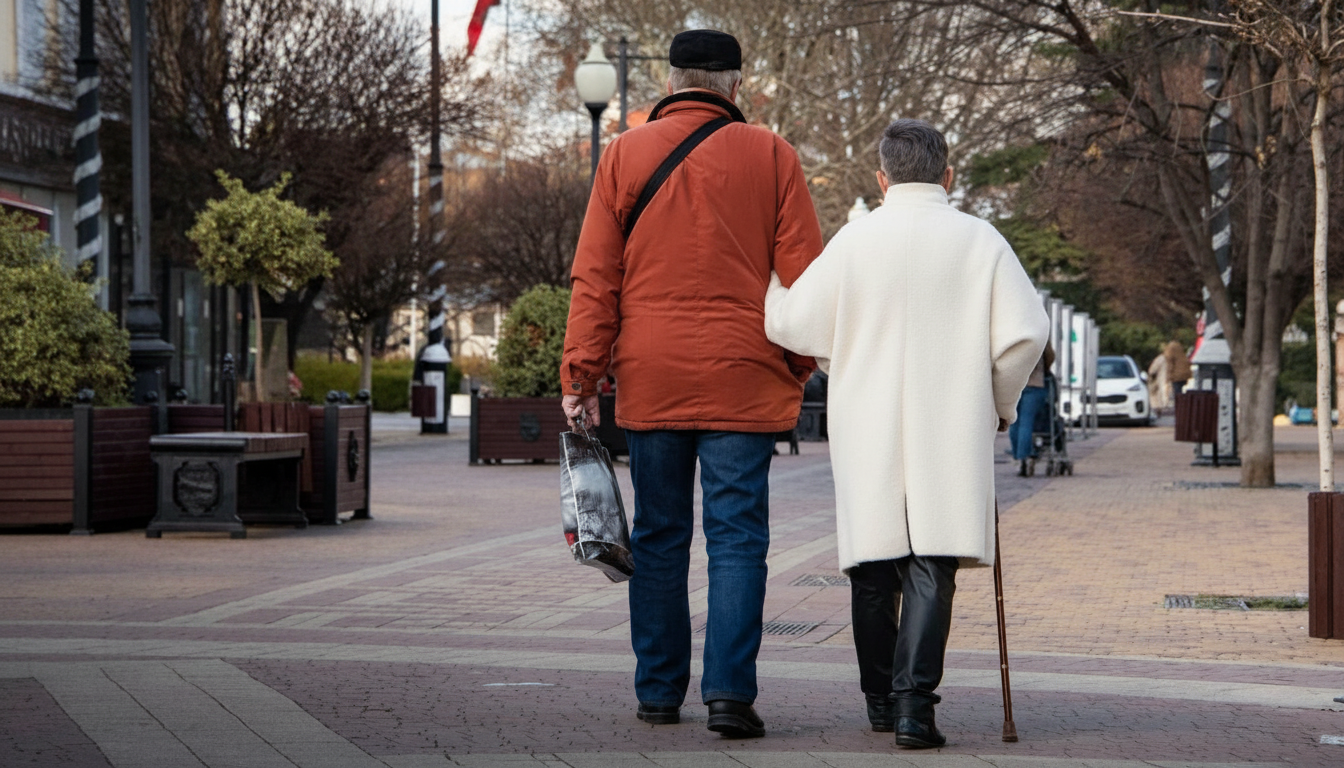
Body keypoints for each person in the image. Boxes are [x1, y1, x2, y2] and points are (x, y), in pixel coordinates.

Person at [559, 29, 824, 737]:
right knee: (738, 537)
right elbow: (806, 282)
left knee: (660, 532)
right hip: (745, 375)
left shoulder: (623, 154)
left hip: (651, 376)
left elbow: (595, 277)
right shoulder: (773, 155)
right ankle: (730, 696)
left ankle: (657, 691)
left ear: (672, 82)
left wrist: (582, 373)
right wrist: (795, 365)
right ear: (736, 86)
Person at [763, 119, 1048, 748]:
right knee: (932, 560)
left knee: (872, 562)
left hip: (869, 419)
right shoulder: (981, 241)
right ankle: (916, 707)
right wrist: (997, 402)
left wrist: (773, 286)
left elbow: (796, 323)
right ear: (948, 175)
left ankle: (880, 702)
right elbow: (1027, 332)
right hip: (950, 417)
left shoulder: (856, 240)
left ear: (881, 178)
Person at [1009, 341, 1055, 476]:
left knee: (1014, 421)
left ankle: (1017, 458)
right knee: (1026, 422)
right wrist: (1044, 369)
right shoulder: (1039, 331)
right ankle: (1025, 457)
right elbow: (1050, 355)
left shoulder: (1012, 334)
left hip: (1014, 384)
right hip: (1035, 383)